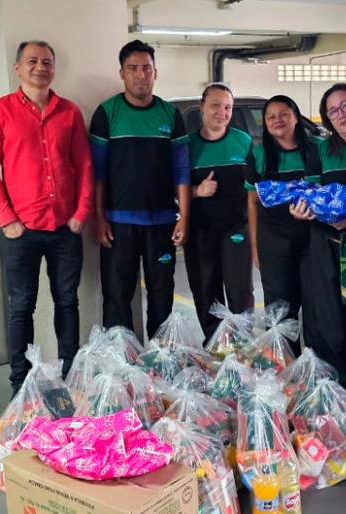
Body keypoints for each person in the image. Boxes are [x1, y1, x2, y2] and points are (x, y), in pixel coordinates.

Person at [0, 40, 93, 395]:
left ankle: (71, 376)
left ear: (54, 68)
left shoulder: (69, 112)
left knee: (67, 302)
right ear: (18, 68)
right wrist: (5, 218)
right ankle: (20, 385)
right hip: (20, 230)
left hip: (64, 228)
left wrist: (81, 213)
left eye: (46, 61)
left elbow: (84, 165)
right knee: (21, 307)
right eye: (32, 61)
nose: (40, 66)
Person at [90, 40, 190, 339]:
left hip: (162, 224)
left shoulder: (170, 115)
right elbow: (98, 174)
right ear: (122, 73)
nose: (140, 74)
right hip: (118, 224)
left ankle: (159, 362)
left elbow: (181, 171)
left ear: (155, 73)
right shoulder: (107, 113)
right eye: (133, 68)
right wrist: (98, 217)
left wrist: (184, 216)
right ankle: (121, 364)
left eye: (146, 68)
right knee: (117, 296)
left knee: (162, 295)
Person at [290, 83, 346, 396]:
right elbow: (312, 195)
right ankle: (341, 395)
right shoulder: (321, 150)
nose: (340, 114)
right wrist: (301, 210)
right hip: (328, 244)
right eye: (332, 110)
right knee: (333, 326)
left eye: (345, 105)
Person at [245, 95, 320, 356]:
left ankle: (316, 368)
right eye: (271, 116)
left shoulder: (316, 149)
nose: (278, 120)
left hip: (314, 238)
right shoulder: (259, 154)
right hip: (274, 240)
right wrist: (255, 246)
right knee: (279, 310)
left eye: (284, 114)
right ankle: (286, 369)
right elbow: (253, 202)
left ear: (296, 117)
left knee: (317, 305)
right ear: (265, 123)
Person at [181, 84, 254, 341]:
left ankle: (243, 348)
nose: (222, 112)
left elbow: (254, 190)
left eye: (227, 107)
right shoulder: (187, 146)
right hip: (200, 233)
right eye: (215, 105)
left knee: (240, 293)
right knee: (205, 291)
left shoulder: (242, 141)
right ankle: (215, 347)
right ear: (202, 106)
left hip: (237, 230)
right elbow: (172, 191)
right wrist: (197, 191)